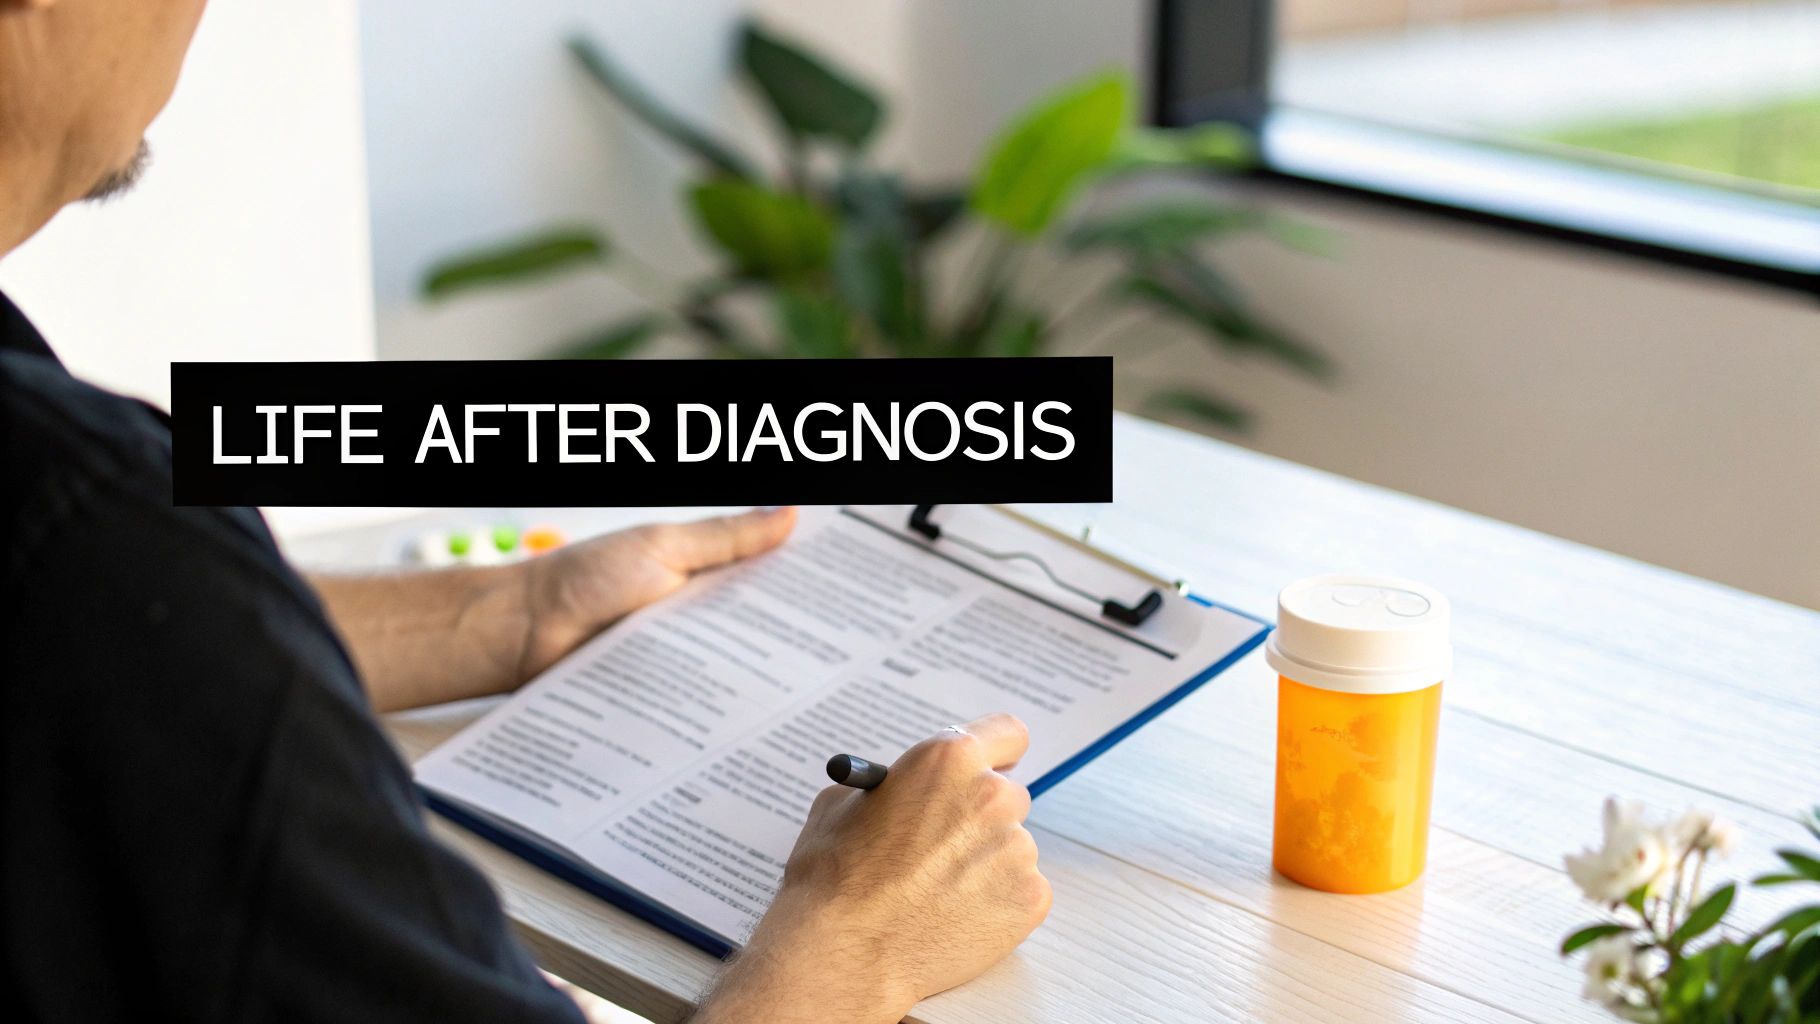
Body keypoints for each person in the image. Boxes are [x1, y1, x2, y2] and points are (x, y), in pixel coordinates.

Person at [0, 2, 1051, 1022]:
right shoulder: (96, 526)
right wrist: (854, 943)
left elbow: (108, 658)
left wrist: (502, 615)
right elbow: (105, 616)